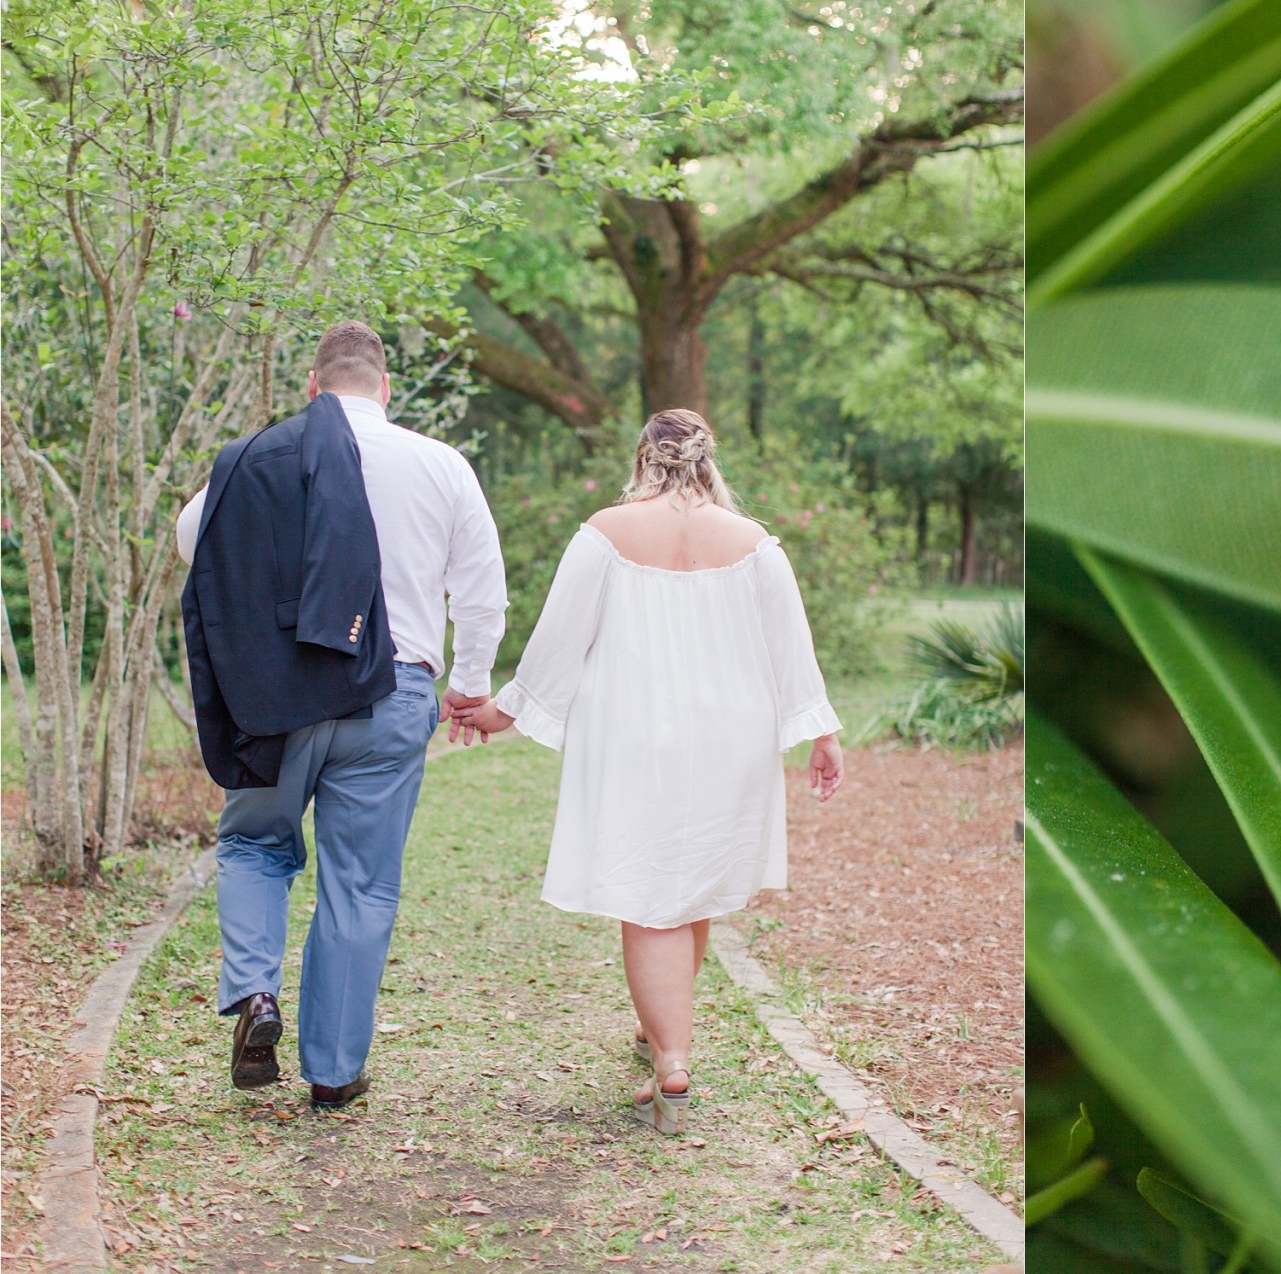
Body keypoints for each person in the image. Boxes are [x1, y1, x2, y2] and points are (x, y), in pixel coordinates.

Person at [449, 408, 844, 1134]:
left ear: (643, 458)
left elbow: (560, 639)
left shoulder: (606, 532)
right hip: (733, 731)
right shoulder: (754, 542)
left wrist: (503, 709)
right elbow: (792, 645)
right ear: (706, 460)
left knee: (649, 895)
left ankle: (673, 1060)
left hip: (633, 729)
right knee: (689, 890)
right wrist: (819, 731)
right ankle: (662, 1025)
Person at [177, 321, 506, 1107]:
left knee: (254, 841)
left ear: (314, 387)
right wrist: (471, 681)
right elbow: (482, 587)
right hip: (392, 695)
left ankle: (257, 993)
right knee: (359, 884)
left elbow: (196, 537)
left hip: (278, 695)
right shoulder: (440, 464)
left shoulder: (262, 456)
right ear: (386, 389)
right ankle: (333, 1072)